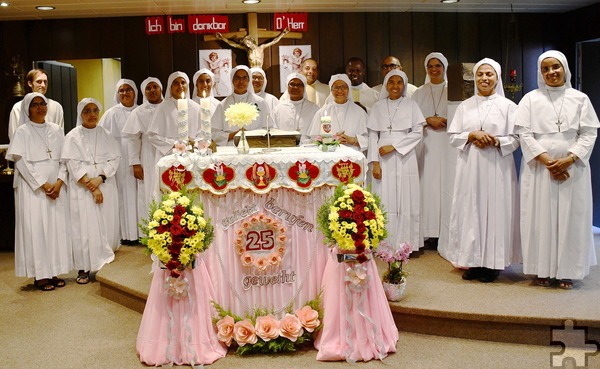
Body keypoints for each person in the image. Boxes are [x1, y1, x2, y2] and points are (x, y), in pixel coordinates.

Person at [516, 50, 599, 289]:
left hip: (573, 167)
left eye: (556, 67)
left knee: (570, 216)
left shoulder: (580, 99)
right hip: (539, 167)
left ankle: (567, 271)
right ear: (540, 72)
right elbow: (524, 133)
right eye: (545, 69)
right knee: (539, 216)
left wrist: (569, 159)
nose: (551, 72)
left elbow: (589, 133)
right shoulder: (531, 99)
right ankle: (541, 269)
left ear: (564, 68)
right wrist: (547, 161)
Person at [443, 58, 521, 283]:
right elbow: (453, 136)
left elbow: (516, 138)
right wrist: (471, 135)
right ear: (474, 78)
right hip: (471, 166)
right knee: (471, 210)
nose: (484, 78)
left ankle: (492, 264)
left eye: (489, 74)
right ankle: (474, 261)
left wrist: (496, 141)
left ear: (497, 77)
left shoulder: (509, 107)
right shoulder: (464, 106)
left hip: (497, 167)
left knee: (495, 211)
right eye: (480, 74)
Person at [7, 92, 72, 291]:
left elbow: (65, 159)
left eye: (42, 104)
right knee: (37, 229)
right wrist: (44, 184)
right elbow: (22, 163)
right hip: (33, 189)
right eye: (35, 105)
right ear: (28, 109)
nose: (40, 107)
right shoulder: (22, 131)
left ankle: (53, 271)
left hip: (56, 186)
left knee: (54, 229)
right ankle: (40, 275)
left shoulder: (57, 130)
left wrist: (59, 183)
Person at [62, 98, 120, 284]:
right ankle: (83, 268)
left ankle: (104, 265)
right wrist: (91, 185)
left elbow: (115, 159)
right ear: (81, 114)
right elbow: (72, 163)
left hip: (105, 184)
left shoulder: (106, 134)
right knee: (83, 227)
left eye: (95, 110)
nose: (92, 114)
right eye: (87, 111)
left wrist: (100, 178)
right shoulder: (72, 136)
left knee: (105, 224)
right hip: (82, 189)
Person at [367, 70, 425, 251]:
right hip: (382, 157)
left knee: (406, 198)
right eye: (391, 82)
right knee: (385, 198)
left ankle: (407, 243)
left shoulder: (411, 105)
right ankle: (384, 243)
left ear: (404, 85)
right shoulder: (378, 106)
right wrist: (374, 162)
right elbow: (371, 136)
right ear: (385, 85)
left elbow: (418, 132)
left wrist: (395, 147)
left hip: (404, 156)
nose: (395, 86)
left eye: (399, 82)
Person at [412, 52, 457, 251]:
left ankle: (445, 232)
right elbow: (410, 118)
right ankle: (429, 232)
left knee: (446, 185)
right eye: (430, 66)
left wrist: (445, 121)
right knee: (428, 186)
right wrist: (428, 120)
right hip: (427, 143)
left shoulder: (453, 90)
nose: (434, 69)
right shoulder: (419, 93)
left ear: (444, 67)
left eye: (438, 65)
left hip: (448, 144)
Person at [99, 79, 139, 245]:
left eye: (128, 89)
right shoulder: (111, 113)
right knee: (122, 194)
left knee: (138, 193)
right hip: (119, 155)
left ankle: (139, 231)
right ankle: (125, 233)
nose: (125, 93)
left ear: (135, 92)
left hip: (138, 154)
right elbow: (102, 136)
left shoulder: (140, 111)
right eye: (121, 90)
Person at [122, 77, 163, 227]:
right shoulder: (138, 112)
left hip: (168, 153)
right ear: (144, 92)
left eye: (155, 87)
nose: (152, 90)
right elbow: (133, 139)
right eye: (148, 88)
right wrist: (135, 163)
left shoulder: (169, 107)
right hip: (147, 154)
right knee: (148, 191)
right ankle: (150, 229)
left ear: (161, 89)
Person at [306, 74, 368, 152]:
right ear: (331, 90)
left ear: (348, 89)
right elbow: (313, 140)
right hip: (330, 156)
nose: (339, 91)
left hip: (353, 157)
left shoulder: (360, 112)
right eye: (336, 87)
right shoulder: (322, 112)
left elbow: (370, 139)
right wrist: (331, 140)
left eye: (343, 87)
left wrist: (352, 140)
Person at [147, 72, 202, 158]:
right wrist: (174, 144)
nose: (180, 86)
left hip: (192, 154)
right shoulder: (162, 108)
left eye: (183, 83)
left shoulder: (197, 108)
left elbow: (202, 134)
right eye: (176, 83)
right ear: (170, 88)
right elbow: (152, 136)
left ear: (187, 85)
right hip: (168, 155)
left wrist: (193, 143)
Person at [211, 65, 270, 146]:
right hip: (230, 147)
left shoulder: (260, 102)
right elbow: (213, 133)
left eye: (244, 77)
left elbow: (269, 128)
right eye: (237, 78)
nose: (241, 81)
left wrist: (250, 134)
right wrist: (231, 135)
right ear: (232, 80)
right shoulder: (223, 105)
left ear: (249, 80)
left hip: (255, 146)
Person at [8, 68, 64, 142]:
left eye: (45, 82)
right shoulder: (18, 107)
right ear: (30, 83)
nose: (43, 85)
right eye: (39, 82)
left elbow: (59, 134)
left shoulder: (56, 107)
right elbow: (13, 135)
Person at [215, 28, 290, 68]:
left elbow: (274, 41)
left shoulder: (261, 47)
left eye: (248, 43)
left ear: (252, 41)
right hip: (251, 70)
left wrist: (283, 33)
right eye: (245, 44)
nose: (247, 45)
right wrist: (222, 38)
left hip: (260, 70)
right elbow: (234, 44)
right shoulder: (247, 50)